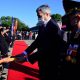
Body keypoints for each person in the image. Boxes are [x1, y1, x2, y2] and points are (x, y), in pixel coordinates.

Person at [0, 4, 67, 80]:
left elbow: (48, 49)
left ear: (47, 14)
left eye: (39, 16)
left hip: (51, 62)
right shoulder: (42, 26)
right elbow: (37, 42)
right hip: (42, 61)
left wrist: (27, 59)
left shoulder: (54, 27)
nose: (38, 18)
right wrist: (24, 53)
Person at [62, 0, 80, 79]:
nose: (69, 18)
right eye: (69, 16)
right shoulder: (72, 34)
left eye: (71, 15)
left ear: (78, 16)